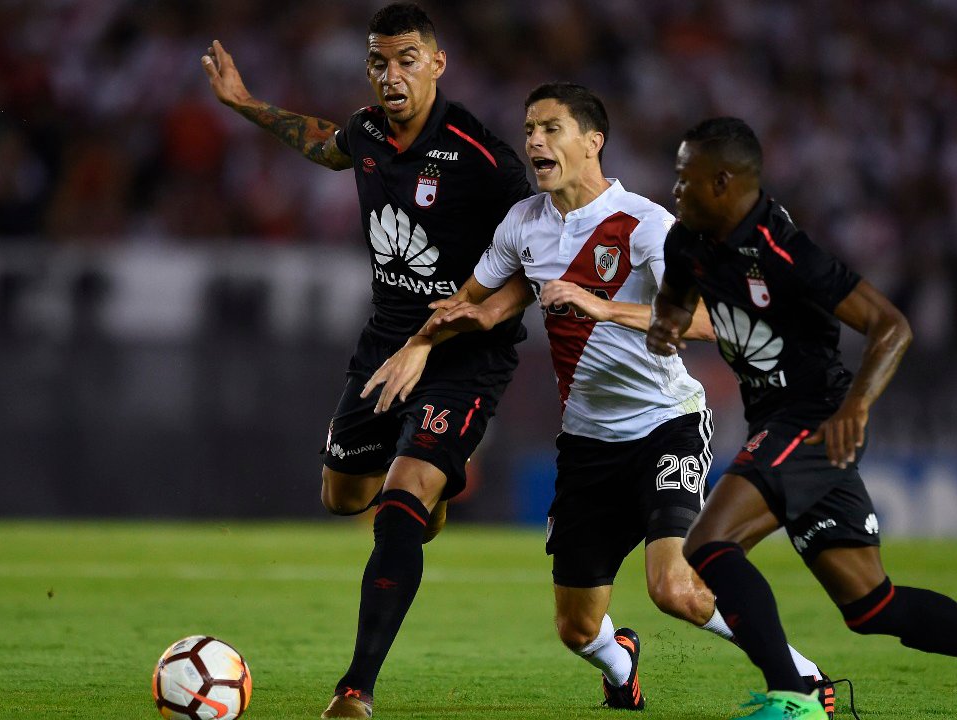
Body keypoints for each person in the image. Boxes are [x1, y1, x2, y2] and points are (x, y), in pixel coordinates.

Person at [363, 84, 835, 716]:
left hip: (666, 425)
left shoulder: (645, 224)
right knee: (578, 628)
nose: (534, 141)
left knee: (674, 587)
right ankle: (622, 664)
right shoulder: (523, 224)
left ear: (593, 142)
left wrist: (603, 307)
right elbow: (473, 301)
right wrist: (422, 343)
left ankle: (804, 677)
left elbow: (710, 320)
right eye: (529, 129)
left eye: (550, 128)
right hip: (588, 444)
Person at [646, 117, 957, 720]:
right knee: (871, 605)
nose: (675, 190)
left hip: (817, 417)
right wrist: (666, 324)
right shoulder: (687, 241)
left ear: (722, 182)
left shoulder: (785, 251)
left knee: (710, 542)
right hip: (778, 421)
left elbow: (891, 325)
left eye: (685, 178)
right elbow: (674, 300)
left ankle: (794, 696)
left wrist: (856, 406)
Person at [202, 4, 534, 718]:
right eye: (379, 62)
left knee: (397, 506)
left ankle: (355, 689)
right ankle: (424, 497)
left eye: (407, 60)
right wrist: (244, 102)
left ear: (437, 64)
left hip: (465, 355)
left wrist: (471, 319)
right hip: (385, 344)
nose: (391, 75)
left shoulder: (483, 158)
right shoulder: (367, 131)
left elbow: (535, 264)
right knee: (342, 496)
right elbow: (325, 145)